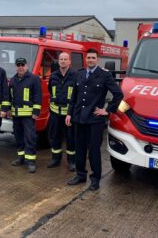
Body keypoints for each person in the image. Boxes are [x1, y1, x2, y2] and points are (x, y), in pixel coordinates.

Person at [66, 49, 123, 191]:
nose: (90, 60)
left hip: (95, 120)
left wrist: (107, 110)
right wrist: (69, 114)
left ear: (98, 59)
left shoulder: (104, 75)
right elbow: (74, 97)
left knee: (93, 151)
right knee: (79, 149)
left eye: (93, 58)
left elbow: (118, 94)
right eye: (88, 57)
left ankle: (95, 178)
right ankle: (80, 175)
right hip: (79, 118)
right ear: (85, 59)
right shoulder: (79, 74)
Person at [9, 58, 42, 173]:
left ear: (26, 66)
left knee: (30, 138)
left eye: (22, 65)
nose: (20, 67)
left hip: (28, 116)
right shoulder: (13, 80)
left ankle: (31, 161)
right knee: (18, 137)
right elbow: (10, 97)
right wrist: (9, 110)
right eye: (18, 65)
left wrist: (36, 112)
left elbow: (38, 96)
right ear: (16, 66)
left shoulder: (33, 79)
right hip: (16, 115)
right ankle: (21, 158)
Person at [47, 52, 76, 171]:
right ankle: (55, 159)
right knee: (55, 137)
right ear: (58, 61)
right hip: (55, 113)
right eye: (61, 59)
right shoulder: (53, 76)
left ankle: (71, 161)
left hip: (69, 114)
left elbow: (77, 95)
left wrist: (71, 113)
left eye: (65, 59)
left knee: (70, 138)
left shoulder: (75, 75)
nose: (63, 61)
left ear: (69, 62)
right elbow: (50, 91)